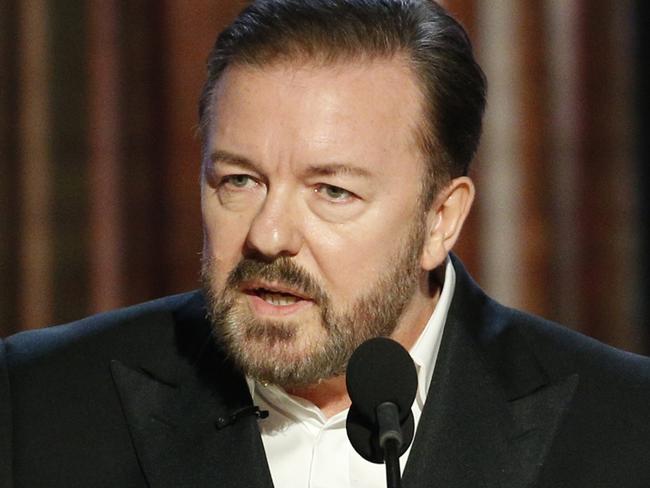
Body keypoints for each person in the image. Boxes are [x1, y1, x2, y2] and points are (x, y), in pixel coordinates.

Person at [2, 1, 650, 486]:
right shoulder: (36, 402)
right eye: (239, 180)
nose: (269, 234)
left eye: (332, 191)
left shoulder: (624, 426)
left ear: (439, 220)